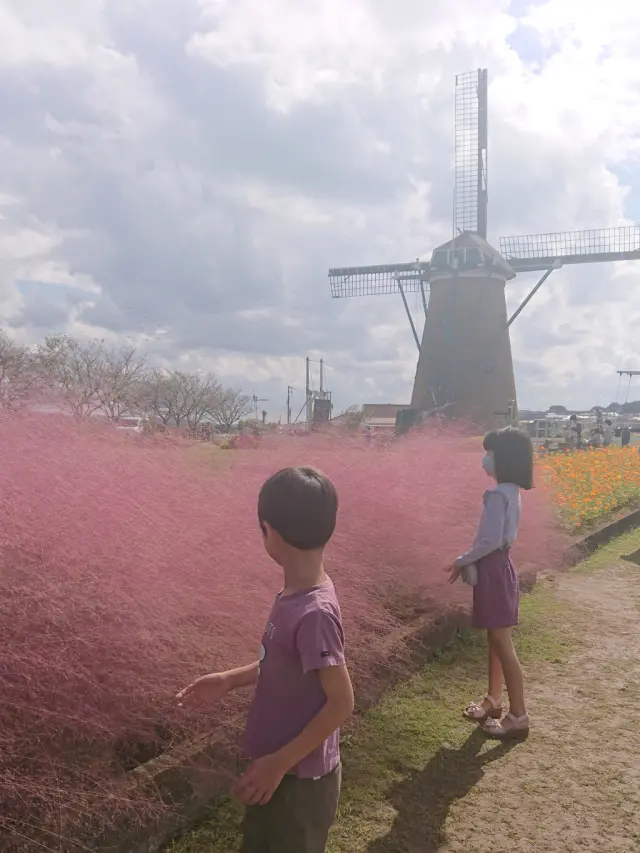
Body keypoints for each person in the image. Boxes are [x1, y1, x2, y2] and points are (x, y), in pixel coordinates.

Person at [176, 467, 353, 853]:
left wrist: (280, 762)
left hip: (299, 782)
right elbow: (280, 665)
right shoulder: (294, 593)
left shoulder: (315, 613)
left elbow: (341, 701)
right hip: (276, 770)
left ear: (270, 532)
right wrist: (229, 679)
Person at [447, 426, 534, 740]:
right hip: (502, 568)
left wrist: (462, 559)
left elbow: (490, 540)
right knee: (495, 640)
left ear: (503, 459)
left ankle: (518, 715)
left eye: (490, 454)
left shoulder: (498, 495)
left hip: (494, 570)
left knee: (503, 645)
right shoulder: (512, 491)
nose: (485, 459)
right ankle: (494, 699)